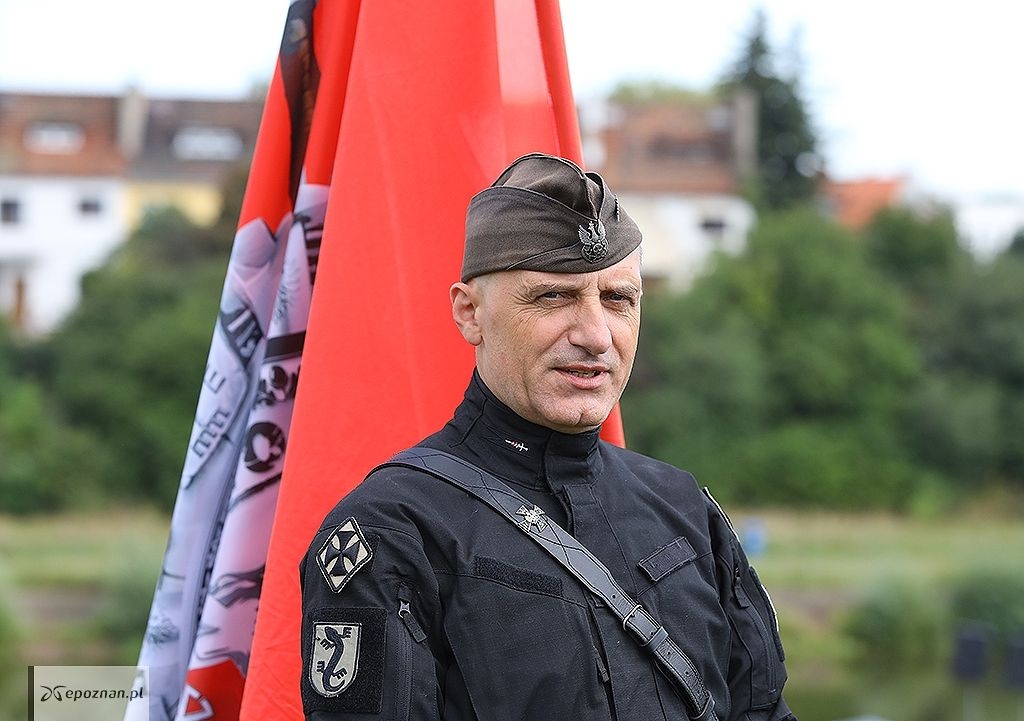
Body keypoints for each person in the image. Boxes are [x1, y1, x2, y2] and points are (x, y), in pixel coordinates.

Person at [299, 153, 796, 721]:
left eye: (618, 300)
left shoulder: (682, 507)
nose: (595, 336)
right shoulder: (392, 530)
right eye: (553, 297)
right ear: (470, 313)